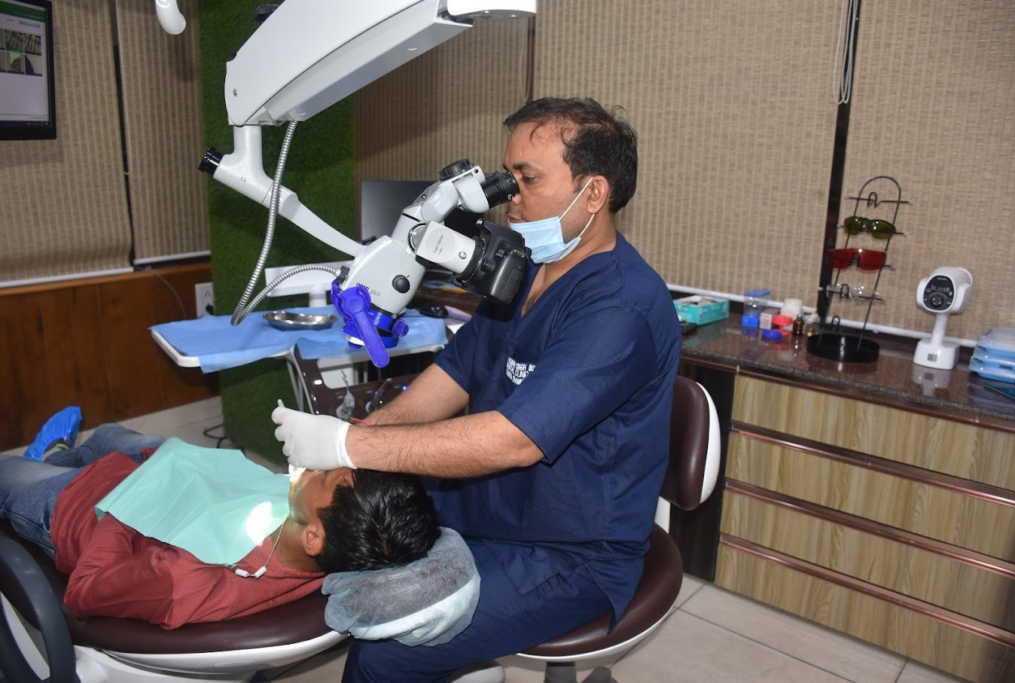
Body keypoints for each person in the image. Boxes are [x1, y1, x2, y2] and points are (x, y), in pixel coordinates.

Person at [272, 97, 682, 682]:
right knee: (348, 555)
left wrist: (346, 446)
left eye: (527, 179)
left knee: (384, 653)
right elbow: (453, 377)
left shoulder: (621, 309)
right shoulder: (521, 272)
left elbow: (514, 440)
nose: (509, 195)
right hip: (479, 510)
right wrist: (350, 443)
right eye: (506, 175)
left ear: (593, 193)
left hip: (569, 551)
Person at [0, 423, 440, 629]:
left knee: (8, 471)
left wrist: (132, 497)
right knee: (106, 434)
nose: (316, 465)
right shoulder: (334, 534)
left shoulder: (184, 578)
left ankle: (50, 461)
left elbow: (83, 591)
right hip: (165, 461)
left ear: (313, 536)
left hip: (79, 505)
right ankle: (60, 452)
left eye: (326, 474)